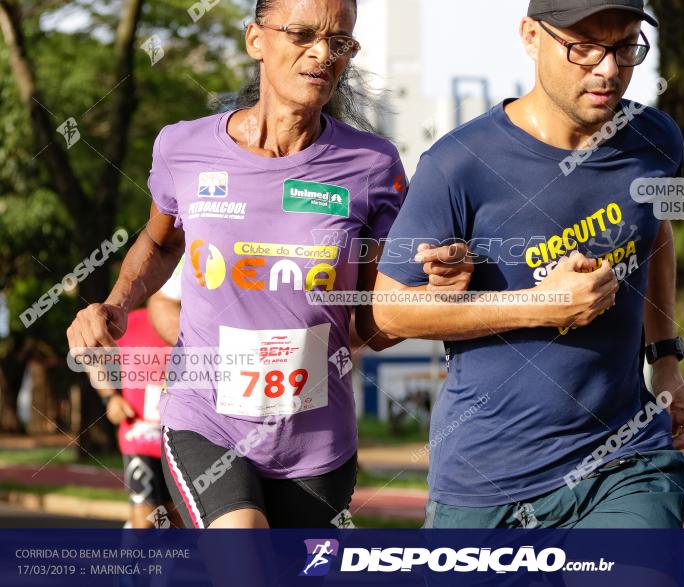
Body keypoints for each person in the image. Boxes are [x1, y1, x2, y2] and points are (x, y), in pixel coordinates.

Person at [66, 0, 469, 529]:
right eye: (302, 34)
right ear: (256, 40)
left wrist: (433, 294)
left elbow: (373, 322)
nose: (323, 53)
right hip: (205, 419)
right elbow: (162, 243)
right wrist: (116, 303)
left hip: (315, 443)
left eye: (339, 41)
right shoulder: (183, 147)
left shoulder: (373, 166)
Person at [374, 0, 684, 529]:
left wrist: (665, 358)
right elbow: (391, 314)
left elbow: (656, 231)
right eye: (584, 46)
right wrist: (540, 304)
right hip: (488, 481)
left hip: (625, 460)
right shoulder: (457, 165)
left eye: (625, 46)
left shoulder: (654, 140)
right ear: (530, 36)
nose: (608, 69)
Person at [93, 305, 181, 529]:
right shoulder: (129, 323)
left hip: (181, 440)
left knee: (175, 521)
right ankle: (135, 544)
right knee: (146, 522)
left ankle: (144, 546)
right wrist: (110, 397)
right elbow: (93, 355)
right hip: (140, 437)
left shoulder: (195, 323)